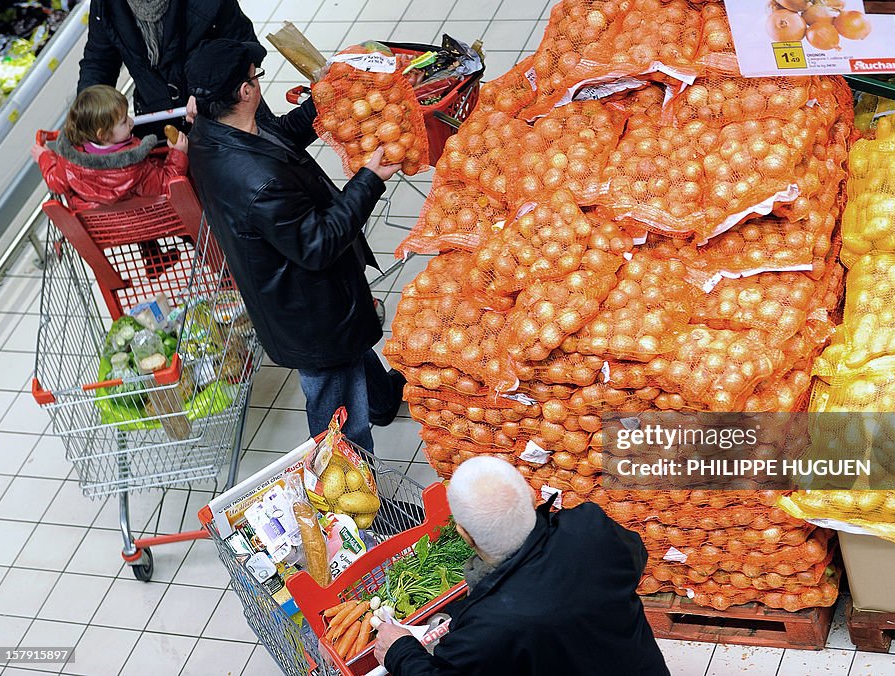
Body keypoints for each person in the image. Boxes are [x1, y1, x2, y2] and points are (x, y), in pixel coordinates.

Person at [184, 39, 406, 452]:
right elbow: (319, 243)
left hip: (296, 293)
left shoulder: (216, 131)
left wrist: (321, 103)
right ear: (245, 92)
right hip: (309, 310)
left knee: (348, 350)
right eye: (256, 77)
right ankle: (353, 511)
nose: (258, 84)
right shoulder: (256, 181)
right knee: (339, 419)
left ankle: (382, 398)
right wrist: (370, 179)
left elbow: (281, 137)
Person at [375, 456, 670, 676]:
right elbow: (635, 557)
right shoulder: (592, 528)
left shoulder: (485, 626)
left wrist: (399, 650)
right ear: (531, 495)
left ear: (464, 534)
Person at [33, 85, 192, 275]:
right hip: (150, 223)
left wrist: (45, 157)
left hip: (106, 231)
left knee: (129, 203)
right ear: (103, 134)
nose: (132, 123)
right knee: (151, 203)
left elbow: (54, 181)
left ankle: (153, 260)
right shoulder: (135, 167)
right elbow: (168, 183)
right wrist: (178, 153)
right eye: (124, 121)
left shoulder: (69, 163)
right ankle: (220, 266)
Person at [78, 0, 264, 136]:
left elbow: (247, 47)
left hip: (226, 119)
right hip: (160, 125)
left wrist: (209, 90)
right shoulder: (106, 6)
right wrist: (89, 113)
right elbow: (99, 62)